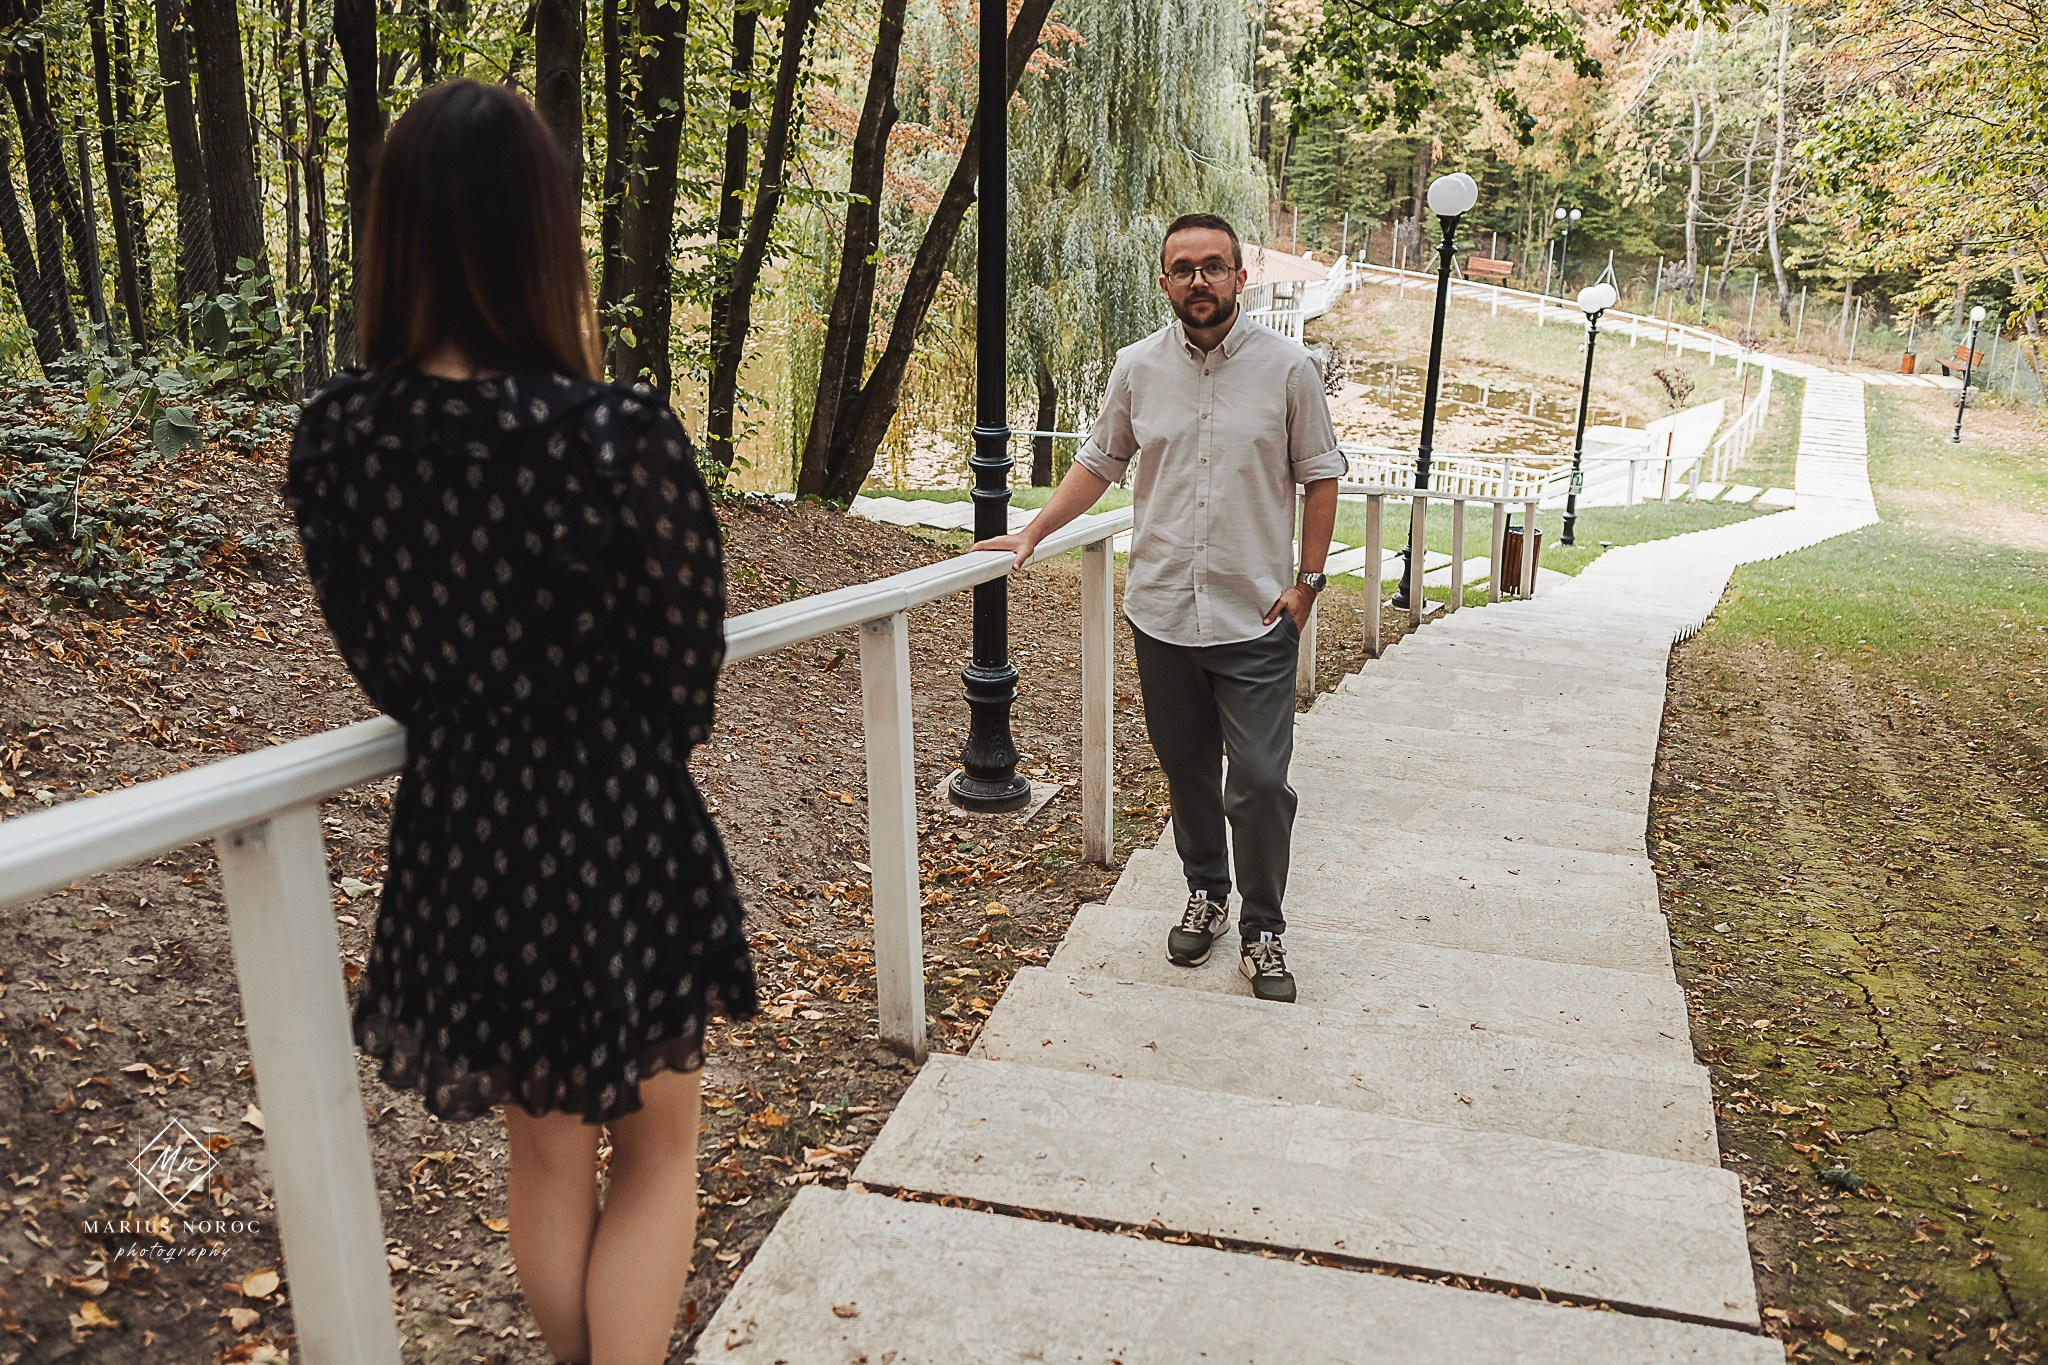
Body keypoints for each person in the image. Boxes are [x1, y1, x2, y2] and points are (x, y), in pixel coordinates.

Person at [285, 81, 757, 1365]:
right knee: (658, 1153)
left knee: (546, 1159)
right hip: (609, 813)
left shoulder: (337, 439)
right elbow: (684, 667)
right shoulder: (611, 433)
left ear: (396, 234)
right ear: (541, 232)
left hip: (461, 824)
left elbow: (381, 663)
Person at [976, 213, 1343, 1004]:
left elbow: (1321, 476)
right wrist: (1033, 531)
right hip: (1163, 615)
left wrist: (1307, 582)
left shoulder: (1290, 370)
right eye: (1184, 268)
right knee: (1186, 772)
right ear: (1166, 281)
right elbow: (1100, 462)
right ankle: (1207, 892)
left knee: (1259, 779)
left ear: (1241, 278)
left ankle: (1264, 928)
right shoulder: (1138, 366)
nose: (1199, 281)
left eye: (1214, 267)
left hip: (1257, 619)